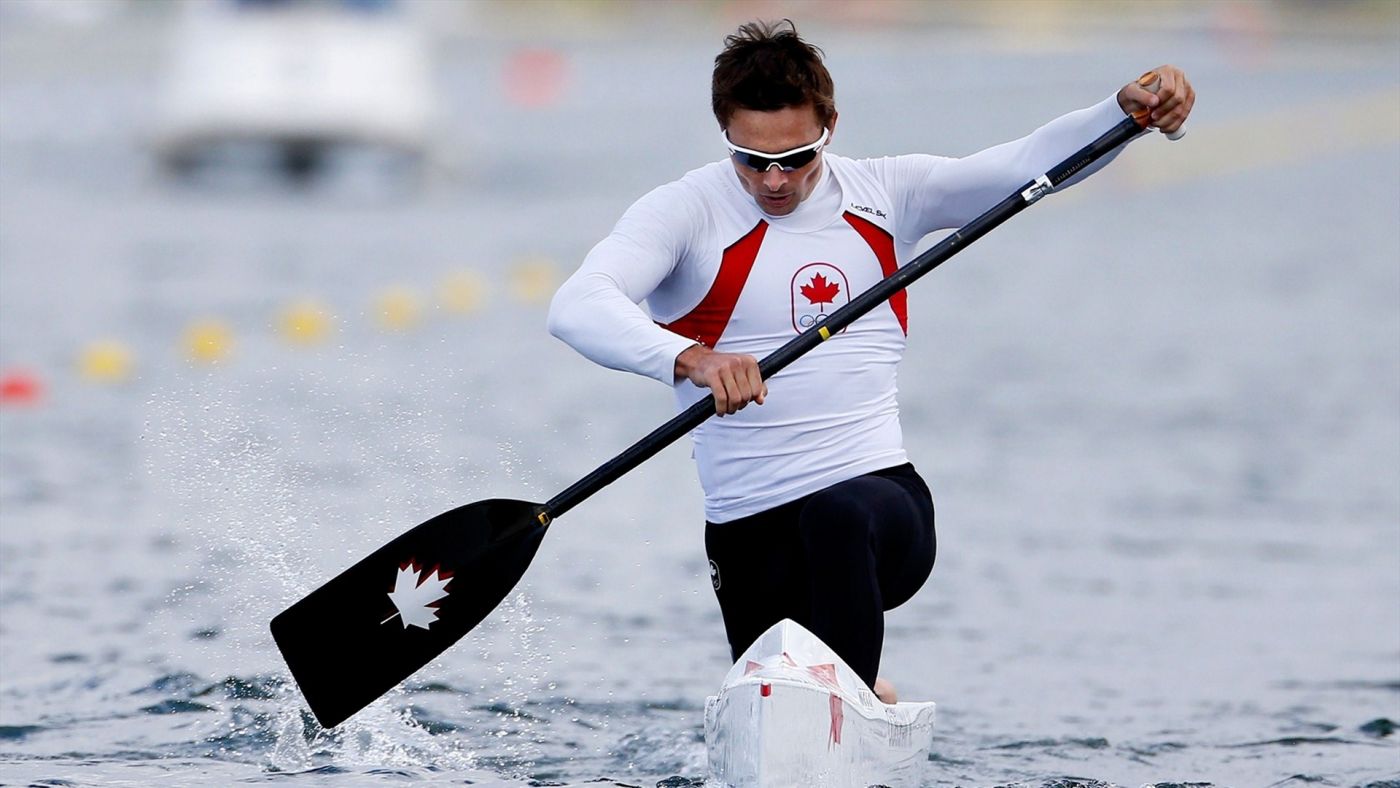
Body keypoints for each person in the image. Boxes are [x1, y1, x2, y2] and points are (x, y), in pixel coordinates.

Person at [547, 20, 1194, 703]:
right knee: (773, 699)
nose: (774, 180)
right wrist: (689, 358)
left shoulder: (886, 193)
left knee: (836, 518)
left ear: (830, 126)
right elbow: (577, 304)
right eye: (751, 159)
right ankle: (860, 694)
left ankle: (845, 695)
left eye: (796, 157)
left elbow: (1025, 165)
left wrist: (1121, 114)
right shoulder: (685, 213)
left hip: (881, 508)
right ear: (725, 134)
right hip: (749, 534)